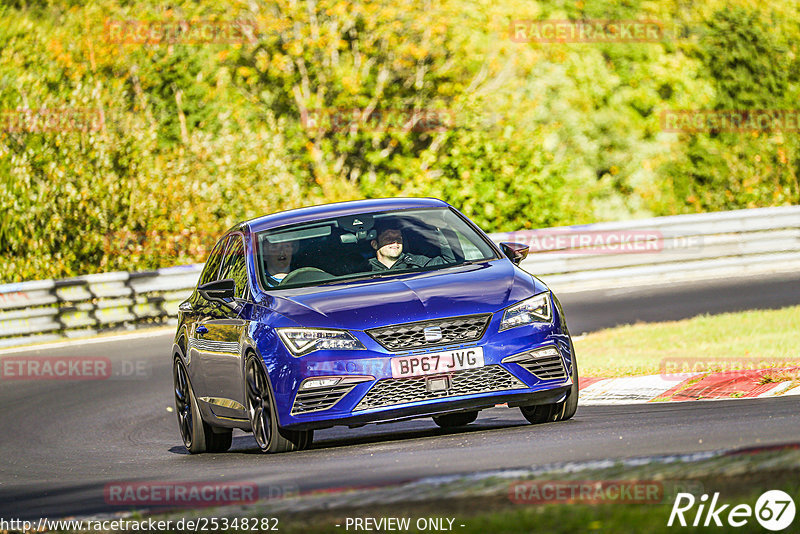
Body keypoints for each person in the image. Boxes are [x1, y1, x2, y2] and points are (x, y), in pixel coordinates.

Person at [369, 224, 454, 271]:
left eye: (398, 238)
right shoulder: (363, 268)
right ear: (374, 244)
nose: (395, 241)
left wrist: (442, 228)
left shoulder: (418, 262)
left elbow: (449, 262)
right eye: (388, 238)